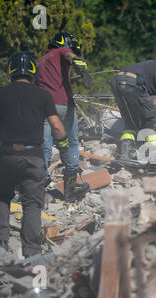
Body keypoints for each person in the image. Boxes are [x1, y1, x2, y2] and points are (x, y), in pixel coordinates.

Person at [0, 51, 68, 257]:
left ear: (10, 71)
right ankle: (31, 252)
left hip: (7, 156)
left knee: (1, 196)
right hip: (34, 157)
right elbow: (56, 125)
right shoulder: (44, 95)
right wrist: (63, 147)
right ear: (33, 72)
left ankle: (0, 241)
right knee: (32, 204)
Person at [36, 32, 92, 202]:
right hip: (62, 105)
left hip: (43, 106)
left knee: (45, 144)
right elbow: (71, 56)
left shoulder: (41, 60)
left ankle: (39, 180)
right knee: (72, 142)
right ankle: (71, 187)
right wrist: (83, 71)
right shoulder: (62, 52)